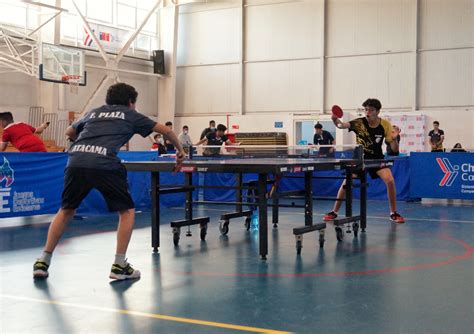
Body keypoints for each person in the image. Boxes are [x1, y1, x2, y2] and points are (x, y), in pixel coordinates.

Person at [32, 83, 185, 280]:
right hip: (105, 162)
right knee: (127, 210)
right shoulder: (131, 114)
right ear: (131, 103)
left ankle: (43, 260)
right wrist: (180, 152)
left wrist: (86, 144)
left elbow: (69, 132)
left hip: (76, 160)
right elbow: (166, 131)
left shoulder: (93, 113)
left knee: (66, 210)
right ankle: (119, 265)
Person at [324, 98, 405, 224]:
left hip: (377, 158)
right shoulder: (359, 122)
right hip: (360, 158)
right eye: (366, 109)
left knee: (390, 180)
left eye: (371, 110)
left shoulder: (385, 125)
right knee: (346, 183)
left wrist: (394, 139)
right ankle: (334, 212)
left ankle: (393, 213)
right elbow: (341, 125)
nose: (368, 112)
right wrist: (334, 119)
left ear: (377, 112)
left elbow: (394, 150)